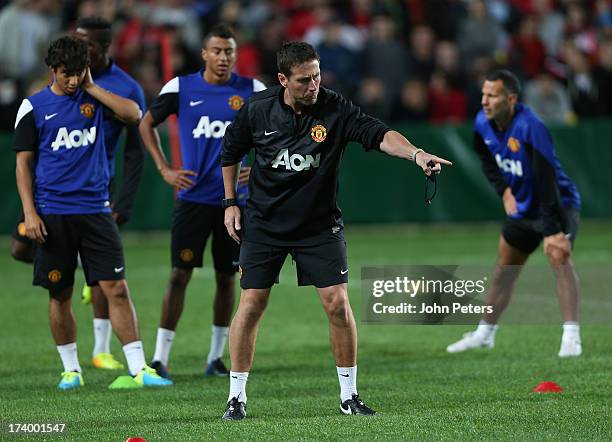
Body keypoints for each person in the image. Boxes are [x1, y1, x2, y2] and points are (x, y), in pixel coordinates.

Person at [219, 41, 451, 420]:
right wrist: (230, 204)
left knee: (337, 304)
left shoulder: (335, 108)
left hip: (319, 225)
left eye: (317, 76)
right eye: (304, 80)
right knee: (251, 304)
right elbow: (230, 153)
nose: (314, 85)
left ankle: (349, 396)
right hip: (264, 224)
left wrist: (417, 154)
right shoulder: (257, 111)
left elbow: (379, 134)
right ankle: (236, 396)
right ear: (282, 79)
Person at [13, 35, 171, 389]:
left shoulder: (97, 100)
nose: (72, 80)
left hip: (96, 210)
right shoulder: (33, 107)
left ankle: (138, 368)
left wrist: (91, 86)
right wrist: (29, 213)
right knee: (60, 292)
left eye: (78, 72)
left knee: (116, 287)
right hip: (52, 212)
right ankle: (71, 369)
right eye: (66, 74)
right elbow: (23, 165)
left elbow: (134, 114)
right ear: (53, 70)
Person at [139, 24, 265, 379]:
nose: (223, 57)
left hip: (234, 203)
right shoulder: (181, 88)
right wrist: (164, 168)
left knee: (228, 278)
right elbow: (146, 124)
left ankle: (215, 357)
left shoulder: (253, 91)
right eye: (217, 51)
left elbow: (281, 132)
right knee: (180, 274)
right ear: (204, 54)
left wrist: (258, 168)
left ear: (235, 55)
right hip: (193, 199)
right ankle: (160, 358)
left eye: (229, 51)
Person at [446, 70, 582, 357]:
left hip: (557, 203)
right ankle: (484, 334)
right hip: (522, 206)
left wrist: (552, 229)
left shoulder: (531, 126)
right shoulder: (483, 122)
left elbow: (546, 180)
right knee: (503, 272)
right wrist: (504, 191)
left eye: (492, 95)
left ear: (510, 98)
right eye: (483, 94)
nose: (484, 101)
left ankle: (571, 337)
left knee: (559, 257)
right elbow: (483, 155)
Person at [74, 16, 147, 371]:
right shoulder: (64, 76)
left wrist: (125, 201)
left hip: (99, 189)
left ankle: (101, 350)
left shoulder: (126, 87)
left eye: (86, 44)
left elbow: (135, 150)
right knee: (21, 248)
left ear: (104, 47)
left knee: (107, 277)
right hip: (55, 188)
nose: (79, 49)